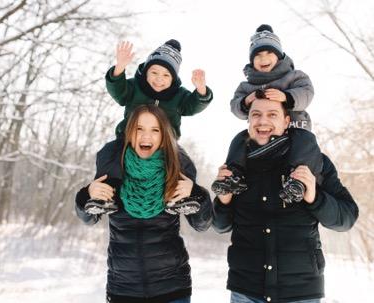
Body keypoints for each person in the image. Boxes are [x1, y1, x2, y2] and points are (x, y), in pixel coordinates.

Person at [212, 97, 359, 303]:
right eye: (256, 115)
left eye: (272, 114)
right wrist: (223, 201)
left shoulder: (315, 163)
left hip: (300, 292)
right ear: (248, 123)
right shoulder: (236, 166)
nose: (263, 121)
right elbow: (220, 226)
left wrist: (314, 197)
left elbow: (347, 218)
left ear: (286, 121)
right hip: (245, 291)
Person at [75, 105, 213, 303]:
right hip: (123, 288)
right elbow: (89, 219)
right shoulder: (113, 166)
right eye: (139, 128)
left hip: (172, 288)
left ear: (163, 135)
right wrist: (86, 195)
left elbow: (202, 224)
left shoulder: (177, 166)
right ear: (130, 132)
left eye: (155, 130)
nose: (146, 136)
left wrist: (198, 194)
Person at [94, 39, 213, 213]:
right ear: (145, 71)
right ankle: (106, 191)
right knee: (109, 152)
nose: (159, 79)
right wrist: (119, 69)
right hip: (129, 138)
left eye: (166, 75)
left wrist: (201, 91)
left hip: (166, 143)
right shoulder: (136, 87)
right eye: (154, 72)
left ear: (173, 78)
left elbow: (193, 106)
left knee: (183, 162)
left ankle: (182, 196)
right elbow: (118, 91)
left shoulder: (178, 95)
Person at [212, 24, 320, 204]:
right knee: (240, 139)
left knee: (305, 143)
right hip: (263, 133)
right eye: (258, 55)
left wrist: (287, 97)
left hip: (295, 128)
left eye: (268, 53)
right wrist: (247, 101)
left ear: (279, 56)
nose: (263, 58)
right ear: (251, 61)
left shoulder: (294, 77)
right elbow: (235, 106)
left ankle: (297, 182)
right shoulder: (246, 87)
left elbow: (307, 92)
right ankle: (234, 176)